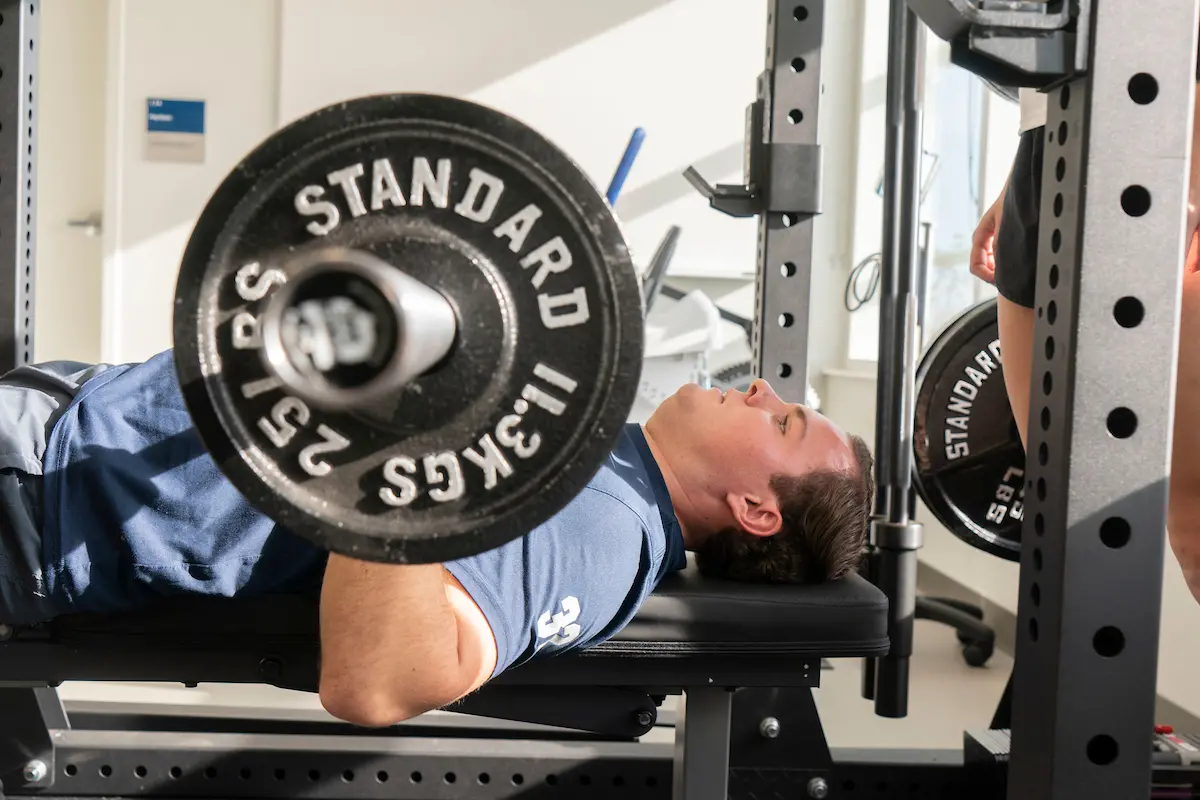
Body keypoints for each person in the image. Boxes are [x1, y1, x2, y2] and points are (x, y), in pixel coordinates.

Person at [0, 349, 874, 727]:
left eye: (784, 421)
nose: (761, 386)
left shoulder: (601, 528)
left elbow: (383, 679)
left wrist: (413, 443)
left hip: (49, 498)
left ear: (758, 510)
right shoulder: (598, 453)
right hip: (68, 428)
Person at [970, 82, 1200, 602]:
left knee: (1195, 536)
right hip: (1048, 148)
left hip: (1165, 137)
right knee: (1070, 514)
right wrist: (1016, 186)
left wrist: (1190, 174)